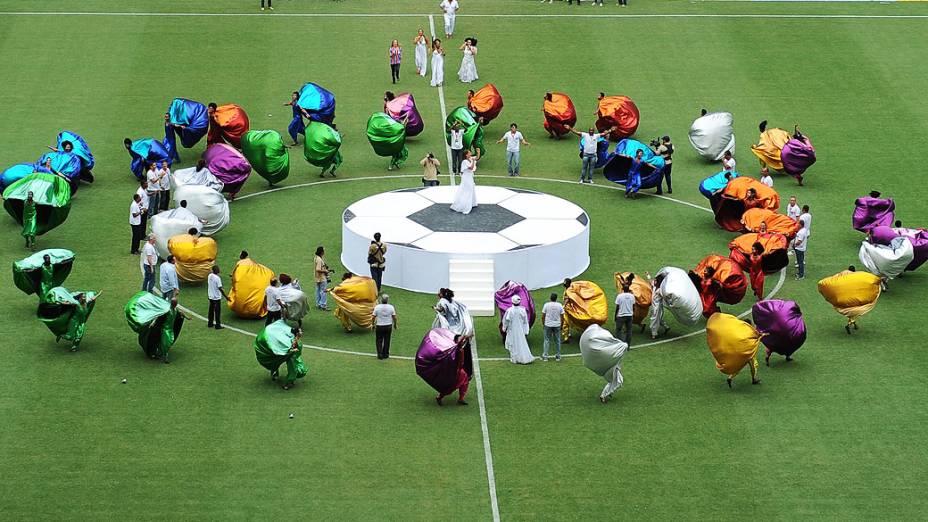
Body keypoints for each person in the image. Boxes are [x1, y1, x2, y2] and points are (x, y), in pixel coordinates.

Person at [436, 334, 471, 406]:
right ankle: (439, 397)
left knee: (465, 382)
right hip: (454, 370)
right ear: (455, 341)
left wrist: (466, 338)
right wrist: (465, 336)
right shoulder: (455, 348)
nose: (462, 340)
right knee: (451, 386)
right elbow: (460, 343)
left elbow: (463, 342)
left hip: (459, 370)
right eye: (460, 339)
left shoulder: (460, 347)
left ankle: (461, 398)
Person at [502, 295, 533, 364]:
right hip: (520, 329)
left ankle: (514, 358)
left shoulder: (510, 310)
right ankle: (517, 357)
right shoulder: (522, 310)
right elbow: (525, 321)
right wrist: (526, 330)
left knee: (512, 343)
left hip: (512, 330)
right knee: (520, 342)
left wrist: (504, 327)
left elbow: (506, 320)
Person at [450, 148, 479, 214]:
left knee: (471, 189)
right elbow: (471, 168)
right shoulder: (465, 162)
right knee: (468, 190)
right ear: (466, 155)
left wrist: (478, 152)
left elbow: (477, 158)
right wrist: (473, 161)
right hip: (466, 178)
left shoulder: (470, 159)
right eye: (469, 153)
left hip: (470, 177)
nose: (470, 153)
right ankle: (465, 205)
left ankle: (471, 203)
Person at [372, 294, 398, 359]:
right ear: (387, 300)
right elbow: (394, 317)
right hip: (388, 325)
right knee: (387, 340)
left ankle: (380, 354)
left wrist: (372, 324)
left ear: (381, 300)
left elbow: (373, 317)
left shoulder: (377, 307)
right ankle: (386, 354)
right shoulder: (391, 307)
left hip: (380, 325)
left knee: (379, 340)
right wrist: (395, 324)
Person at [645, 271, 670, 339]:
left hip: (657, 307)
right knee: (657, 318)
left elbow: (666, 296)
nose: (654, 281)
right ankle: (666, 327)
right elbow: (651, 281)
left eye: (656, 281)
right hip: (654, 306)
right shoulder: (655, 286)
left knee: (654, 319)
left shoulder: (660, 290)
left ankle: (654, 334)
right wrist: (648, 275)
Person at [540, 293, 564, 361]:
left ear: (550, 298)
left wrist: (543, 324)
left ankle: (545, 356)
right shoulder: (559, 305)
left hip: (548, 324)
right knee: (557, 340)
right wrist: (561, 325)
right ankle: (558, 356)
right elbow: (562, 316)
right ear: (556, 298)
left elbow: (543, 316)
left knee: (547, 340)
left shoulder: (546, 305)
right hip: (557, 325)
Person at [207, 265, 230, 329]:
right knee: (217, 311)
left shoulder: (210, 276)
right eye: (218, 269)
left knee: (211, 310)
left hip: (210, 296)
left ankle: (210, 323)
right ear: (216, 270)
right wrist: (226, 297)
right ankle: (218, 325)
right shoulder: (217, 278)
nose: (219, 270)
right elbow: (220, 288)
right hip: (216, 297)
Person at [314, 246, 332, 311]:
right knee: (323, 291)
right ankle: (323, 305)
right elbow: (318, 269)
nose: (324, 252)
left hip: (317, 277)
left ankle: (318, 304)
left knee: (318, 291)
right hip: (321, 278)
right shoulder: (319, 259)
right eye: (324, 250)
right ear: (321, 252)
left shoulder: (317, 258)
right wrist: (325, 271)